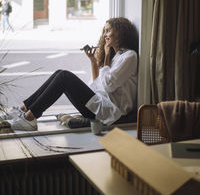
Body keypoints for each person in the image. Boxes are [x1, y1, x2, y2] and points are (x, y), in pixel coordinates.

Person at [3, 17, 138, 133]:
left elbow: (108, 86)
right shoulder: (117, 57)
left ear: (120, 32)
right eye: (104, 31)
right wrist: (93, 62)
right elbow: (98, 86)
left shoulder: (130, 56)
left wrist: (107, 56)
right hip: (101, 107)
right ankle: (23, 110)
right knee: (59, 73)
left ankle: (30, 118)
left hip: (112, 114)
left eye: (108, 31)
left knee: (64, 77)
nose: (105, 35)